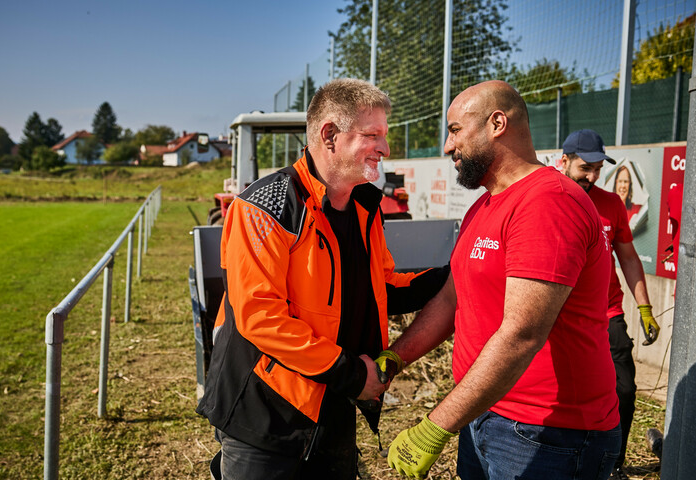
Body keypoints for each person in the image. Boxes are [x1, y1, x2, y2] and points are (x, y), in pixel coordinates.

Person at [196, 78, 448, 480]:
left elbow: (380, 288)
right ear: (329, 134)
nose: (384, 148)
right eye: (372, 135)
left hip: (331, 401)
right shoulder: (263, 208)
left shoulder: (366, 206)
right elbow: (261, 319)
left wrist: (454, 276)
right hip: (264, 412)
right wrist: (353, 375)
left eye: (385, 136)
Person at [383, 81, 621, 480]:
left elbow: (521, 334)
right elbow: (449, 300)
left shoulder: (548, 203)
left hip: (548, 434)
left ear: (497, 123)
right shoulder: (486, 204)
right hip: (484, 412)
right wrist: (394, 360)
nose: (446, 145)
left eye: (456, 129)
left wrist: (435, 425)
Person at [559, 128, 661, 480]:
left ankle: (612, 466)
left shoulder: (611, 205)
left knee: (624, 390)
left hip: (607, 315)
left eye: (598, 168)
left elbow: (629, 258)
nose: (592, 176)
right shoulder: (549, 199)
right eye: (585, 167)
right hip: (557, 318)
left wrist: (645, 308)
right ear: (564, 161)